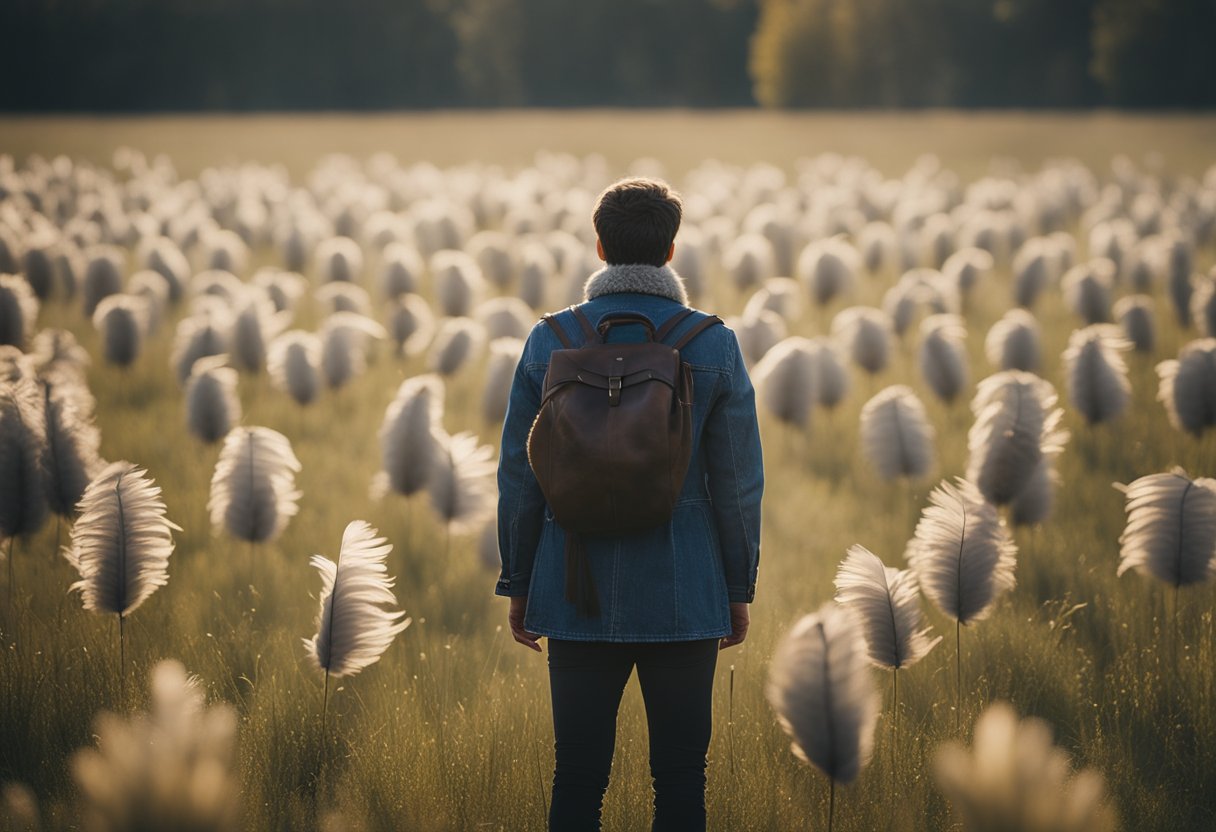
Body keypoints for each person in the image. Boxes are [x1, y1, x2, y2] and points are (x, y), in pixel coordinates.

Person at [495, 177, 763, 831]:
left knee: (577, 778)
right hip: (686, 590)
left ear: (599, 246)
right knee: (680, 781)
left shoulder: (547, 340)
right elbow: (737, 484)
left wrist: (518, 581)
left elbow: (519, 476)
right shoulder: (712, 343)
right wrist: (736, 587)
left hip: (573, 587)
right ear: (672, 251)